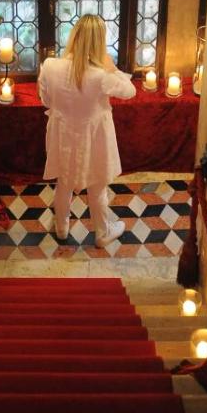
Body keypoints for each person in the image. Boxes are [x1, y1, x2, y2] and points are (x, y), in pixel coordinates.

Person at [37, 14, 136, 246]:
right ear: (99, 42)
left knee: (64, 182)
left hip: (62, 135)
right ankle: (102, 233)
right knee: (97, 185)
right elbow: (130, 91)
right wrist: (112, 69)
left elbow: (45, 100)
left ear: (74, 36)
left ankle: (61, 228)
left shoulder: (50, 66)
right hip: (94, 139)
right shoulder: (102, 76)